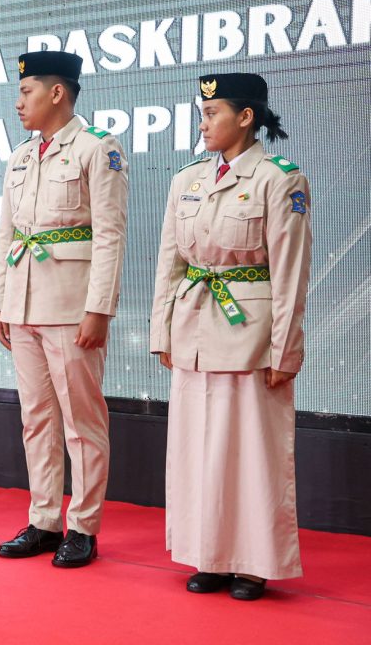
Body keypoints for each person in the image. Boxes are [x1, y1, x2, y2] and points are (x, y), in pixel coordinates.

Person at [149, 73, 311, 601]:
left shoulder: (279, 178)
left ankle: (254, 563)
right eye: (202, 111)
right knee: (196, 449)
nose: (203, 122)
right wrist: (162, 332)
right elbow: (169, 265)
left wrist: (285, 349)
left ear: (246, 117)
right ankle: (209, 555)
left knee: (251, 452)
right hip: (194, 327)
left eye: (213, 112)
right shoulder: (187, 180)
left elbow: (289, 274)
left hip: (251, 334)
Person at [0, 51, 129, 567]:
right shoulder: (21, 157)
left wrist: (99, 308)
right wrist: (1, 300)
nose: (18, 102)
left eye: (26, 92)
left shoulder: (98, 149)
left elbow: (110, 234)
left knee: (81, 420)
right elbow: (8, 233)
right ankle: (44, 519)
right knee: (36, 419)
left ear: (56, 92)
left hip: (72, 305)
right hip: (24, 304)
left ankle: (84, 526)